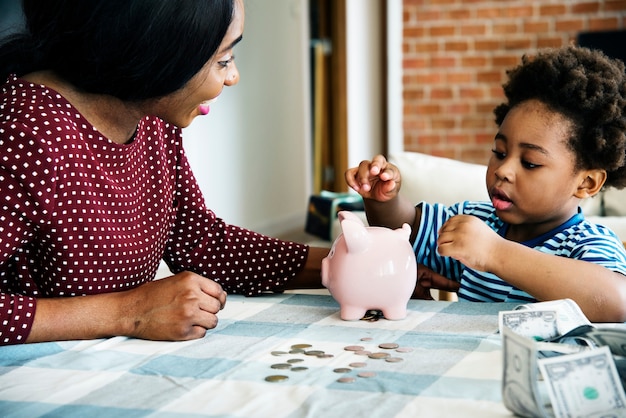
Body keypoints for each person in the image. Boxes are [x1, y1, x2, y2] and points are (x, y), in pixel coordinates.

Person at [0, 0, 329, 346]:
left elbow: (200, 243)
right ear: (156, 51)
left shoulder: (149, 114)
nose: (233, 77)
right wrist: (128, 312)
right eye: (223, 60)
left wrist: (339, 265)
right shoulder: (26, 136)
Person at [346, 46, 626, 323]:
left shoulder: (588, 245)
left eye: (529, 162)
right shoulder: (476, 221)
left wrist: (494, 252)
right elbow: (406, 230)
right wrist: (383, 199)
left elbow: (616, 302)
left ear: (586, 182)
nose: (503, 170)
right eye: (499, 153)